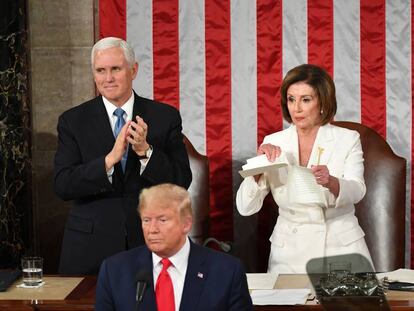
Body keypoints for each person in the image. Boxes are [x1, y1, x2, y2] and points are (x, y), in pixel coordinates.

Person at [54, 37, 192, 275]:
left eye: (115, 69)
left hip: (148, 243)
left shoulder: (164, 117)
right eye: (100, 71)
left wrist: (145, 152)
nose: (108, 78)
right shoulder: (73, 121)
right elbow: (63, 184)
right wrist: (108, 161)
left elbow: (181, 181)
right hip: (89, 248)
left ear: (133, 70)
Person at [236, 64, 373, 274]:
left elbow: (357, 189)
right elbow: (245, 208)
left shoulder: (348, 139)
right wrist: (258, 171)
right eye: (291, 99)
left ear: (322, 103)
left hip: (340, 248)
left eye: (305, 100)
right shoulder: (273, 142)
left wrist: (332, 182)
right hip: (289, 252)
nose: (296, 108)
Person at [95, 183, 253, 311]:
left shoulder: (227, 272)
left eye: (162, 220)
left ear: (186, 224)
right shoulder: (114, 271)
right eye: (146, 220)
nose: (152, 229)